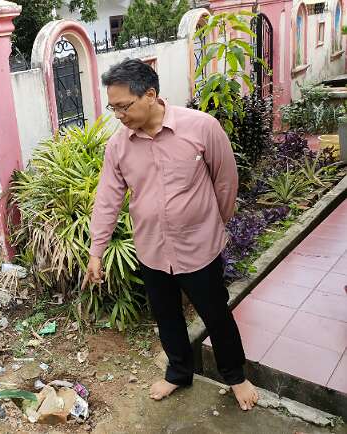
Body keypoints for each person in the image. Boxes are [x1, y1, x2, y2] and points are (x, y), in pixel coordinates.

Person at [83, 58, 259, 411]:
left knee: (215, 313)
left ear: (150, 94)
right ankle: (178, 372)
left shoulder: (201, 128)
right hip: (151, 248)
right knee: (166, 315)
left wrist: (211, 223)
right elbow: (107, 199)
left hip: (199, 247)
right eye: (112, 107)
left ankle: (235, 375)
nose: (118, 114)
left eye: (123, 106)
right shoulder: (118, 146)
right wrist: (96, 251)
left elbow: (225, 182)